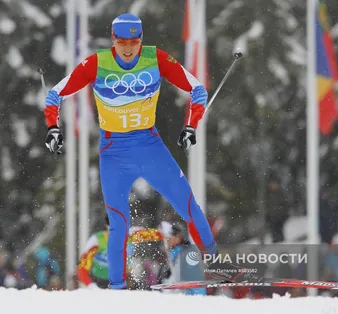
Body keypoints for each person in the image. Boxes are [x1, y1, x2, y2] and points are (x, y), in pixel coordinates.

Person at [43, 13, 218, 289]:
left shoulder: (156, 58)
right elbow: (55, 94)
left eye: (133, 42)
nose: (127, 48)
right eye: (122, 41)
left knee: (190, 208)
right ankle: (118, 289)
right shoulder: (97, 63)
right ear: (113, 40)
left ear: (141, 41)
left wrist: (190, 126)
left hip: (150, 146)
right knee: (118, 225)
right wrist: (53, 128)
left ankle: (215, 266)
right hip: (114, 153)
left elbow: (197, 89)